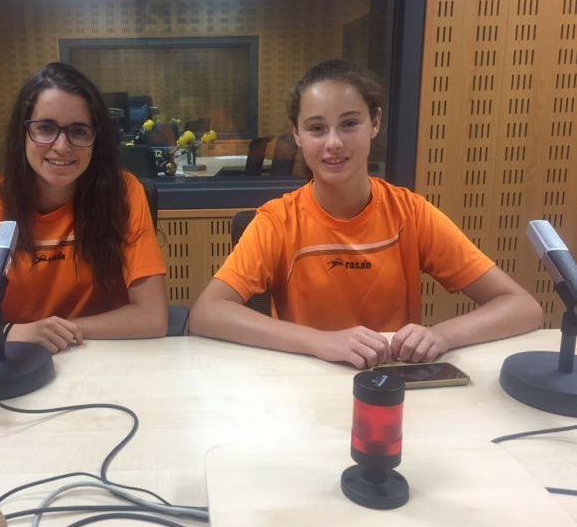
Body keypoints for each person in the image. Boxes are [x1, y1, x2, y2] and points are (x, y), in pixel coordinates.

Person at [189, 59, 542, 369]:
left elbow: (522, 307)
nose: (333, 143)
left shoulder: (411, 213)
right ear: (296, 134)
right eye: (316, 128)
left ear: (374, 123)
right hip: (303, 382)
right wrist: (320, 341)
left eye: (349, 124)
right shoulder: (278, 220)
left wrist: (442, 335)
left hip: (391, 382)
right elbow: (207, 313)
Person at [0, 62, 168, 352]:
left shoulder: (122, 194)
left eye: (79, 131)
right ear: (22, 133)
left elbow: (152, 318)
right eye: (46, 128)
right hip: (12, 359)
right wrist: (16, 334)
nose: (61, 146)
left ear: (95, 140)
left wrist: (52, 332)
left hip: (99, 355)